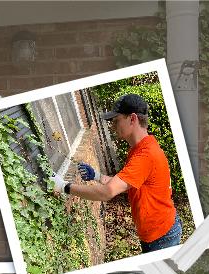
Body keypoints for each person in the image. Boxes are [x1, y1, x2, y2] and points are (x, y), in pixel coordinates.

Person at [51, 93, 180, 253]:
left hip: (162, 236)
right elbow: (124, 185)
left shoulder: (145, 155)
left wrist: (63, 186)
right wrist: (96, 176)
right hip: (156, 233)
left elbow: (107, 192)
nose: (112, 126)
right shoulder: (139, 149)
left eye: (116, 120)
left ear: (132, 119)